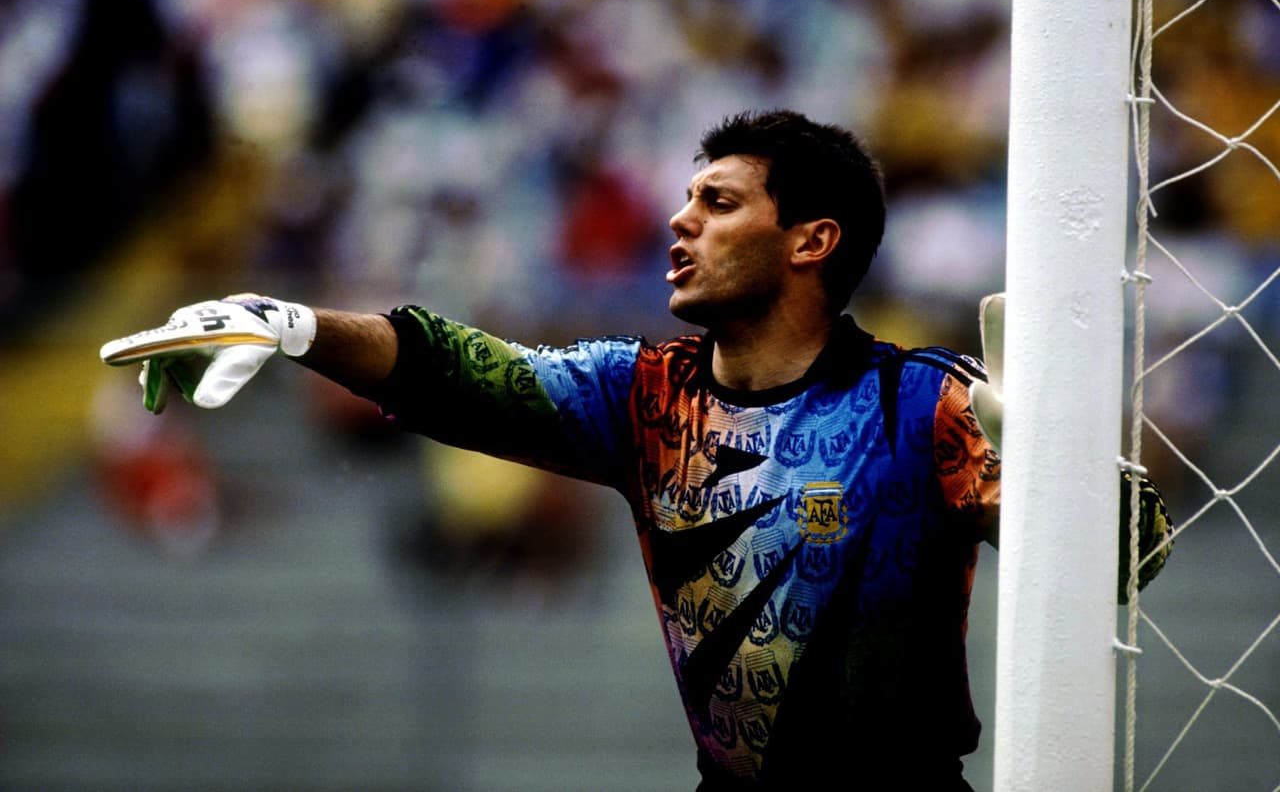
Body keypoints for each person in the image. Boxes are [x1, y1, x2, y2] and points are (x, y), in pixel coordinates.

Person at [101, 110, 1166, 789]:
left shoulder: (923, 403)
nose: (677, 221)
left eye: (716, 202)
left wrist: (1062, 472)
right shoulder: (642, 394)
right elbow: (464, 372)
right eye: (685, 197)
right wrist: (290, 323)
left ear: (811, 239)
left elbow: (1128, 560)